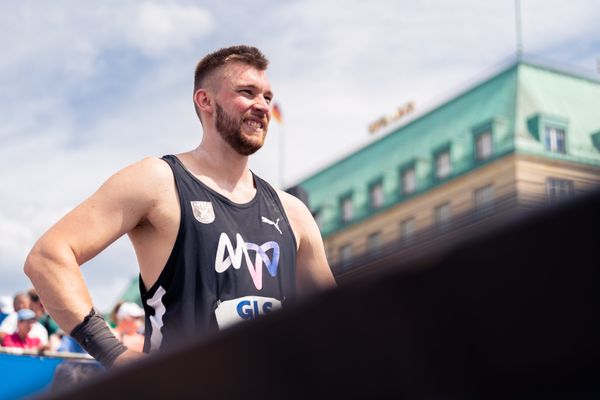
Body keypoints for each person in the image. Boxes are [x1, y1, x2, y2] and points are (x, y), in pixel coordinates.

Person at [24, 45, 336, 370]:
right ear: (205, 101)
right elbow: (48, 256)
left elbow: (336, 322)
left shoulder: (293, 213)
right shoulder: (157, 181)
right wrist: (114, 354)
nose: (262, 106)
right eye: (247, 92)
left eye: (268, 97)